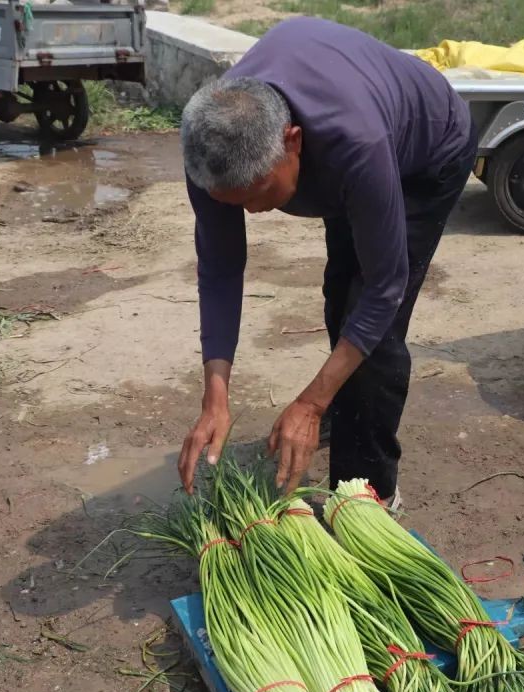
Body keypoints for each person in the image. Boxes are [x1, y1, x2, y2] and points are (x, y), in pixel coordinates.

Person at [177, 16, 476, 505]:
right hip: (345, 149)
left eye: (258, 195)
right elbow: (220, 270)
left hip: (428, 152)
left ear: (292, 141)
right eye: (232, 201)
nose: (249, 211)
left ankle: (369, 495)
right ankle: (340, 406)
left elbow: (386, 286)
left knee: (373, 321)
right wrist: (215, 397)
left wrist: (310, 402)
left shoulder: (354, 142)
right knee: (340, 292)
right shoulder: (211, 151)